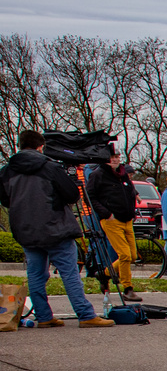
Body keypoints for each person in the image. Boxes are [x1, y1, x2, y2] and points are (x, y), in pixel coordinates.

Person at [0, 130, 113, 327]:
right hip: (55, 228)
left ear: (20, 145)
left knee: (35, 275)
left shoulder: (7, 171)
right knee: (69, 273)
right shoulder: (50, 167)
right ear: (41, 146)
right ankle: (85, 315)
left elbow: (5, 200)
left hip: (25, 229)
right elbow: (71, 195)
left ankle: (44, 317)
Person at [87, 154, 139, 301]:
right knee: (125, 255)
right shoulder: (98, 175)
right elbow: (89, 196)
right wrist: (106, 213)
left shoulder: (123, 175)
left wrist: (132, 211)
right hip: (112, 220)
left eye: (117, 157)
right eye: (111, 157)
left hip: (127, 220)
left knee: (133, 256)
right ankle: (127, 288)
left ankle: (104, 274)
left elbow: (130, 193)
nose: (115, 160)